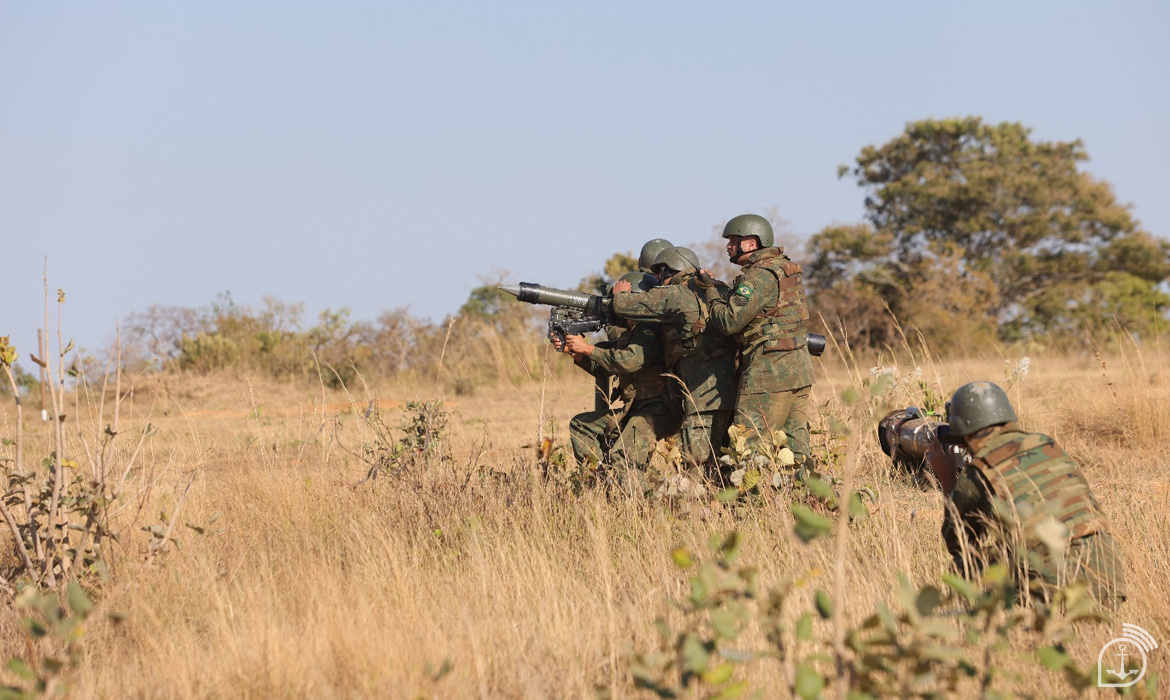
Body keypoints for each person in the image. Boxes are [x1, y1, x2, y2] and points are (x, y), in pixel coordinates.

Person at [927, 381, 1127, 606]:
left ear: (963, 431)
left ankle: (976, 624)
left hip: (1056, 582)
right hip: (1108, 573)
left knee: (964, 565)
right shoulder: (1046, 445)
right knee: (1009, 547)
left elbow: (959, 542)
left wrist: (947, 476)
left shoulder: (979, 473)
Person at [611, 246, 737, 478]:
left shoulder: (677, 293)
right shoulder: (718, 288)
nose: (658, 281)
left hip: (701, 395)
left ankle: (699, 501)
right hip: (728, 389)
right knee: (724, 461)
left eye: (659, 274)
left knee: (697, 465)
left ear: (668, 270)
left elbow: (624, 307)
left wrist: (620, 294)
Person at [700, 214, 815, 464]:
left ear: (751, 243)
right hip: (799, 370)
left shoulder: (757, 276)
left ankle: (748, 491)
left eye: (733, 241)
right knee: (796, 451)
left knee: (748, 445)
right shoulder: (783, 268)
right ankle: (806, 488)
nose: (728, 246)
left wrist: (709, 291)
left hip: (769, 373)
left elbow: (729, 321)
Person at [558, 272, 679, 486]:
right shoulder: (631, 333)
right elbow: (606, 366)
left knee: (625, 457)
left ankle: (640, 502)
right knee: (582, 425)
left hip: (658, 410)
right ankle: (599, 484)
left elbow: (629, 361)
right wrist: (575, 352)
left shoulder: (650, 330)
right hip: (635, 408)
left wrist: (588, 349)